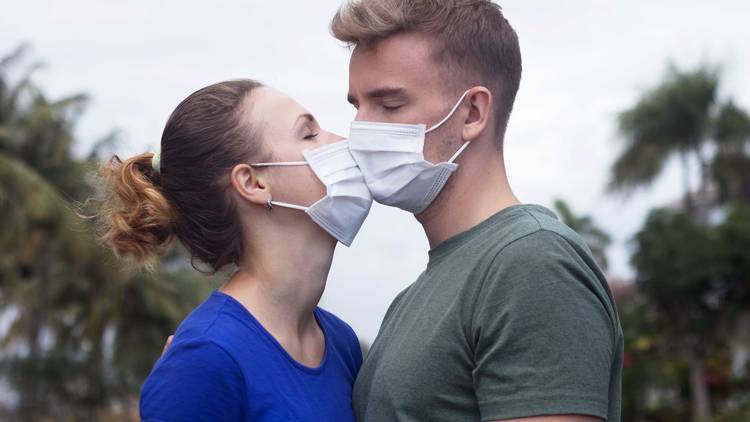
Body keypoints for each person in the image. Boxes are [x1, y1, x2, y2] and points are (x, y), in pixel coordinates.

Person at [332, 1, 624, 421]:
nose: (361, 131)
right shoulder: (415, 296)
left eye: (389, 105)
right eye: (356, 106)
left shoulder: (532, 263)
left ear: (472, 113)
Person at [96, 79, 370, 421]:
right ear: (252, 182)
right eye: (308, 134)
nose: (342, 142)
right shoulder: (205, 359)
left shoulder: (341, 342)